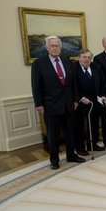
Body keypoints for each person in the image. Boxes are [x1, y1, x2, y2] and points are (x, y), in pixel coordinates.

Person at [31, 35, 85, 169]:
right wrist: (38, 104)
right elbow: (35, 85)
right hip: (50, 106)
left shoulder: (67, 61)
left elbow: (73, 84)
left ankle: (71, 155)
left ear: (61, 47)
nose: (55, 48)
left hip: (68, 104)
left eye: (57, 46)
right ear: (47, 47)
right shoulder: (39, 63)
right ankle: (54, 160)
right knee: (53, 135)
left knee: (69, 133)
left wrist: (75, 100)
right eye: (52, 46)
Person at [73, 49, 106, 155]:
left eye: (89, 57)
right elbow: (72, 86)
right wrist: (81, 98)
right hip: (80, 102)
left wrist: (102, 95)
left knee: (94, 124)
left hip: (94, 102)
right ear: (79, 57)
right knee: (79, 126)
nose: (86, 59)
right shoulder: (73, 68)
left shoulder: (96, 67)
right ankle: (80, 148)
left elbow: (102, 82)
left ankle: (92, 144)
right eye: (84, 57)